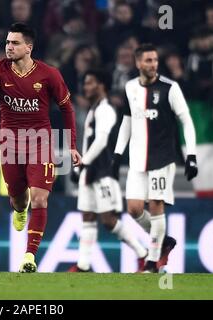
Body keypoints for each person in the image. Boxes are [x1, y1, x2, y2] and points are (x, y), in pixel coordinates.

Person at [0, 22, 81, 273]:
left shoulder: (49, 75)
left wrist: (72, 146)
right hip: (10, 144)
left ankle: (29, 256)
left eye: (14, 43)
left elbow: (67, 108)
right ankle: (19, 210)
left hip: (41, 143)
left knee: (40, 198)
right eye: (7, 42)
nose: (9, 47)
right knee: (20, 201)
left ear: (28, 47)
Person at [112, 44, 198, 273]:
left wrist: (191, 155)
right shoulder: (130, 87)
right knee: (133, 209)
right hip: (137, 159)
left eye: (155, 60)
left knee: (156, 204)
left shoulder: (170, 88)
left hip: (162, 158)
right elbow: (127, 122)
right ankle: (164, 241)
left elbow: (186, 120)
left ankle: (152, 262)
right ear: (138, 63)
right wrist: (117, 154)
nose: (153, 64)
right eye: (148, 60)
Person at [69, 69, 148, 272]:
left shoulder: (106, 110)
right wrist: (82, 169)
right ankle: (83, 265)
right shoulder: (94, 109)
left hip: (103, 171)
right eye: (85, 84)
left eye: (90, 83)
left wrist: (83, 162)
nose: (86, 87)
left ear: (101, 85)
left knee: (109, 221)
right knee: (87, 217)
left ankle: (143, 254)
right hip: (90, 172)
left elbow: (102, 141)